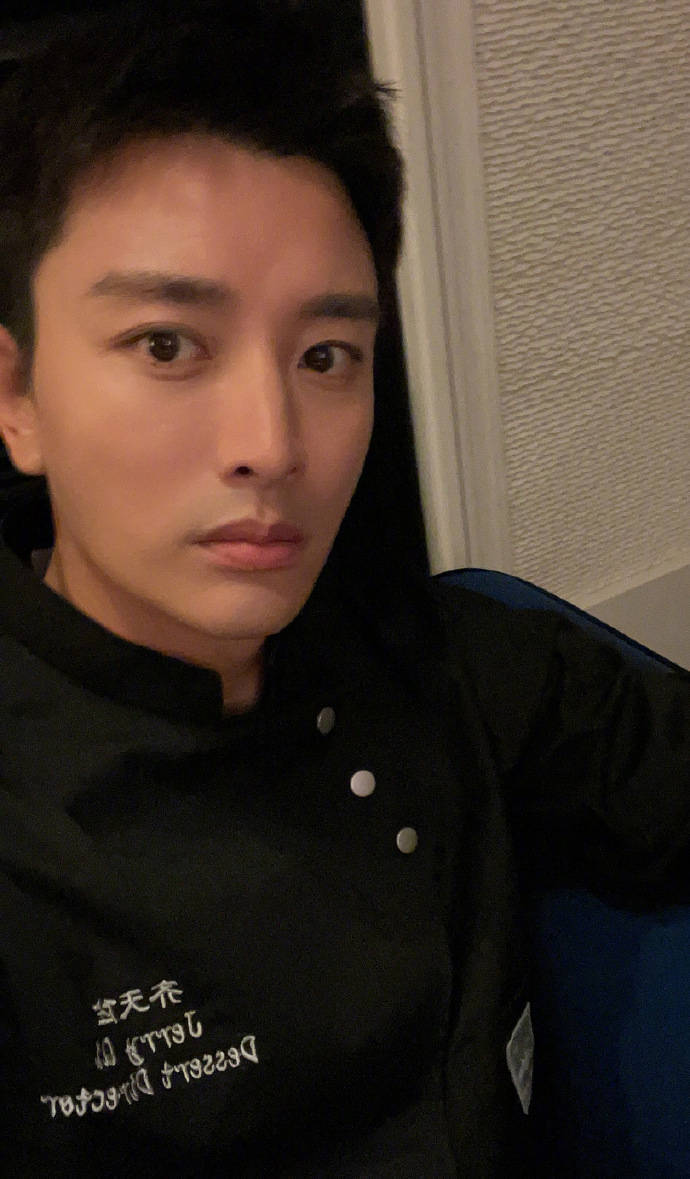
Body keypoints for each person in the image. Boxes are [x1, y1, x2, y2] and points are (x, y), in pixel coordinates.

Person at [0, 2, 687, 1175]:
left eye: (326, 356)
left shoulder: (450, 658)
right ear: (17, 398)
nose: (272, 445)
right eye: (168, 344)